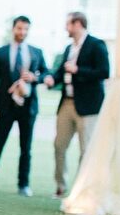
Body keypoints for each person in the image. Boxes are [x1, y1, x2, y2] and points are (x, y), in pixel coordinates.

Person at [0, 16, 48, 197]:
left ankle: (24, 185)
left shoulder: (37, 52)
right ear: (13, 29)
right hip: (5, 107)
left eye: (25, 29)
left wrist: (35, 78)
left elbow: (46, 73)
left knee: (26, 148)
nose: (22, 32)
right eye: (19, 28)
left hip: (28, 107)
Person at [46, 12, 109, 197]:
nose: (66, 28)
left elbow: (104, 71)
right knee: (59, 145)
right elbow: (61, 71)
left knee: (86, 149)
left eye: (68, 24)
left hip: (88, 107)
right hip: (66, 102)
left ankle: (81, 189)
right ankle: (60, 185)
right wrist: (51, 79)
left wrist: (78, 69)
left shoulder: (96, 45)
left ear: (78, 24)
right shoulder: (69, 48)